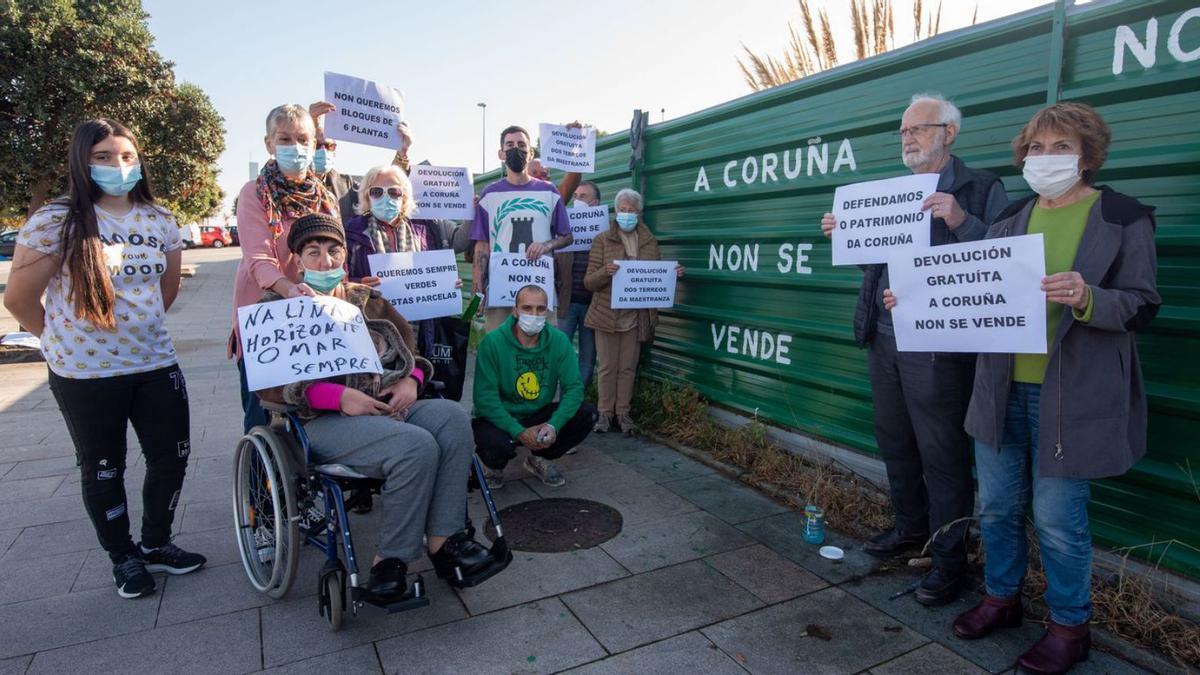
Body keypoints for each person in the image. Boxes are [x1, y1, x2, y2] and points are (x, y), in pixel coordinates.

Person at [938, 103, 1154, 674]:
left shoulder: (1124, 216)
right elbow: (974, 286)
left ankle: (1068, 625)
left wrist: (1088, 298)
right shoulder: (1012, 216)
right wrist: (911, 301)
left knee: (1059, 520)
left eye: (1059, 147)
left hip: (1073, 398)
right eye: (1035, 149)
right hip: (1000, 390)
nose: (1044, 159)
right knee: (998, 507)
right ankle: (1001, 599)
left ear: (1087, 155)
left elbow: (1142, 303)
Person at [819, 93, 1008, 606]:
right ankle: (910, 529)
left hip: (939, 345)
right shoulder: (894, 192)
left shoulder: (981, 188)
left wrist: (959, 220)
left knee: (942, 451)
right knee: (895, 439)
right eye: (903, 132)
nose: (908, 138)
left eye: (918, 129)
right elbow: (875, 266)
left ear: (949, 133)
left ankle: (950, 560)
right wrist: (847, 236)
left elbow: (1002, 261)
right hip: (884, 334)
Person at [4, 119, 205, 599]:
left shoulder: (159, 219)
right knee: (103, 467)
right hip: (87, 374)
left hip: (154, 364)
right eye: (104, 157)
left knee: (171, 459)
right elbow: (19, 299)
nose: (119, 166)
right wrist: (58, 343)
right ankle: (124, 556)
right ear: (82, 162)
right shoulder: (55, 221)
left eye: (127, 157)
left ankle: (157, 543)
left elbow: (167, 289)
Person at [255, 213, 495, 600]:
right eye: (313, 253)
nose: (325, 261)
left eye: (333, 251)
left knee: (451, 418)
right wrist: (338, 397)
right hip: (323, 421)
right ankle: (390, 559)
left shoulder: (367, 299)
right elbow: (272, 386)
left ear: (345, 255)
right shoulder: (275, 306)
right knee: (415, 447)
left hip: (388, 403)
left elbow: (412, 351)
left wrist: (411, 381)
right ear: (298, 261)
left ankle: (442, 539)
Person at [232, 103, 339, 432]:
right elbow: (259, 259)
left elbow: (336, 252)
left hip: (315, 315)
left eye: (304, 139)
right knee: (264, 412)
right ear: (269, 144)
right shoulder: (254, 194)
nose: (297, 147)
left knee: (314, 405)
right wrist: (288, 288)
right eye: (286, 139)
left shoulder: (324, 198)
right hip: (266, 316)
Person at [472, 285, 597, 489]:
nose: (534, 314)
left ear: (547, 311)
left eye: (540, 309)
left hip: (538, 414)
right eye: (527, 308)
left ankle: (539, 458)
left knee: (587, 413)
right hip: (502, 416)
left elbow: (574, 389)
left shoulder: (559, 341)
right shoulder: (492, 343)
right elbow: (484, 399)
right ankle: (492, 466)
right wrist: (519, 432)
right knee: (493, 443)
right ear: (515, 310)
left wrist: (553, 425)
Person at [585, 188, 684, 434]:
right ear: (615, 211)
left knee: (628, 367)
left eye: (631, 211)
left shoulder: (649, 241)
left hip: (635, 316)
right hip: (607, 315)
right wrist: (605, 272)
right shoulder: (602, 240)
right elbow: (589, 282)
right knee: (607, 366)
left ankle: (624, 414)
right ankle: (605, 414)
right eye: (622, 210)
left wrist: (673, 275)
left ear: (639, 214)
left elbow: (657, 274)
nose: (626, 214)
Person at [470, 126, 573, 333]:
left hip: (540, 287)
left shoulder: (549, 191)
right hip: (500, 289)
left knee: (541, 349)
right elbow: (482, 245)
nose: (516, 149)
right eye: (509, 145)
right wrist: (477, 290)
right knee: (499, 349)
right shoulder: (489, 194)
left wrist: (546, 245)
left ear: (531, 152)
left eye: (521, 145)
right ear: (501, 153)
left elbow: (567, 236)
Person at [554, 180, 601, 391]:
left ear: (595, 203)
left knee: (588, 356)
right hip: (567, 303)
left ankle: (577, 403)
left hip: (594, 305)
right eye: (575, 197)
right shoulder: (564, 229)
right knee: (562, 355)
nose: (577, 200)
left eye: (583, 196)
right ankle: (564, 401)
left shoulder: (604, 232)